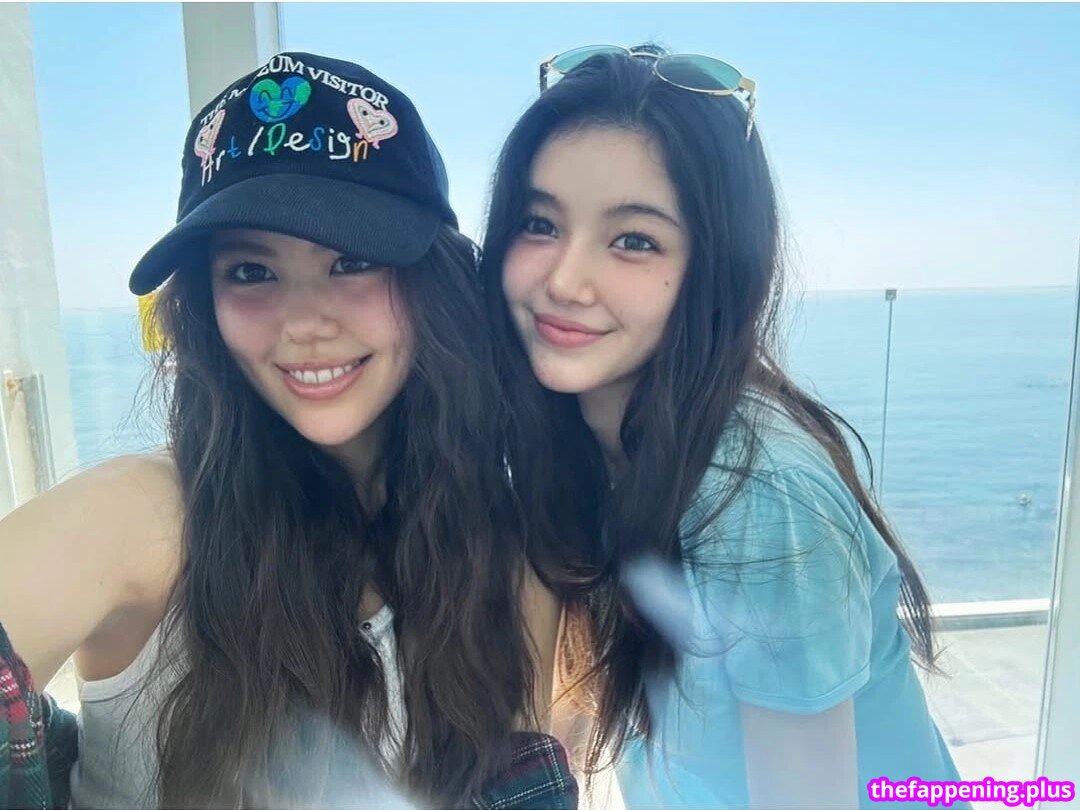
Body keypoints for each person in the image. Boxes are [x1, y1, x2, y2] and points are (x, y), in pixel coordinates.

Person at [0, 51, 573, 809]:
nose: (303, 323)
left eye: (352, 260)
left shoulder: (503, 553)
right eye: (251, 271)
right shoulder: (147, 517)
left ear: (434, 283)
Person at [479, 44, 963, 808]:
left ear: (713, 268)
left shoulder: (760, 497)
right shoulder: (588, 443)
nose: (564, 281)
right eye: (539, 224)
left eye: (633, 240)